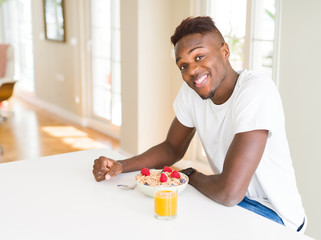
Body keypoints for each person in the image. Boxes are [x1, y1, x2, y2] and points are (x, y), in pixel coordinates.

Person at [92, 16, 306, 232]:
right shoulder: (192, 92)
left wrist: (189, 175)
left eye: (200, 56)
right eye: (183, 65)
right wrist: (121, 165)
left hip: (275, 215)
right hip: (231, 204)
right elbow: (171, 147)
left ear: (225, 51)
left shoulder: (255, 92)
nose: (192, 71)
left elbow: (229, 192)